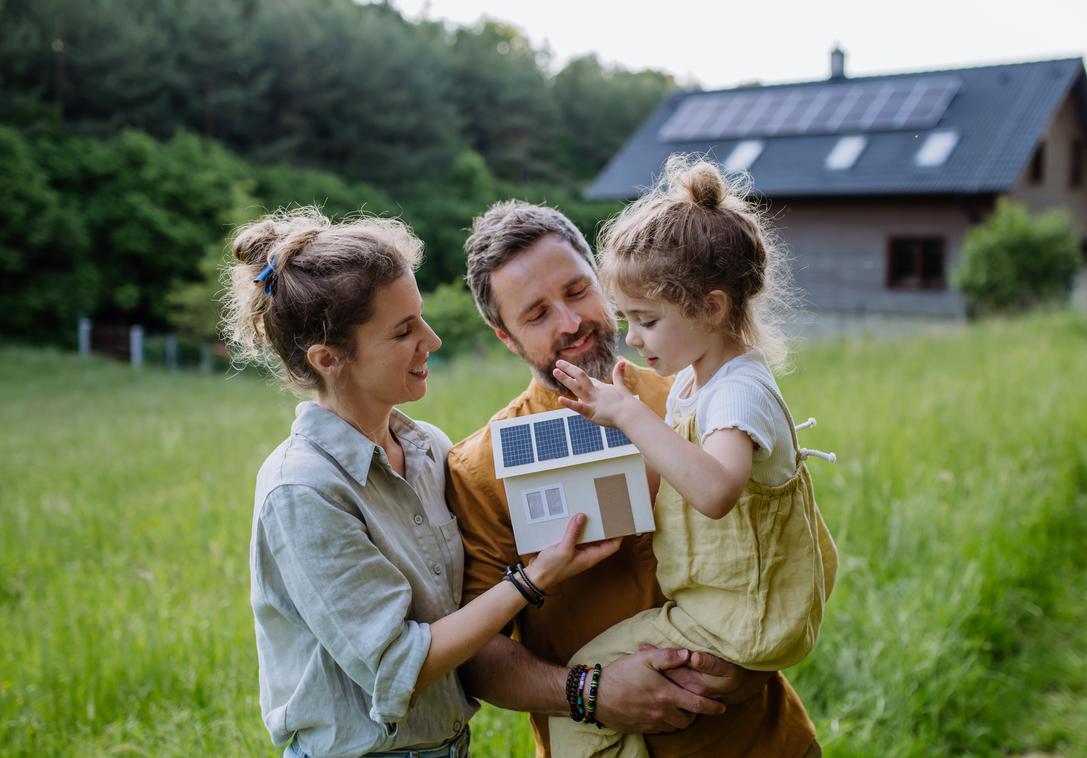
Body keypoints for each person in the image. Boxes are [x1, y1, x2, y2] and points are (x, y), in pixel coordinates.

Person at [224, 208, 619, 758]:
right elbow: (398, 666)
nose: (430, 341)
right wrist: (534, 578)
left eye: (422, 318)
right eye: (404, 330)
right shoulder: (303, 490)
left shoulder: (430, 448)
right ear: (329, 358)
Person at [447, 199, 826, 756]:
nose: (571, 323)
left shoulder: (693, 391)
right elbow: (476, 657)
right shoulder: (479, 469)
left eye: (577, 291)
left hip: (764, 741)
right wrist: (589, 692)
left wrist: (750, 664)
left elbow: (782, 543)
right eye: (536, 314)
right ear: (505, 336)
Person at [547, 156, 839, 757]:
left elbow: (713, 492)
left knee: (586, 687)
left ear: (710, 307)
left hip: (738, 617)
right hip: (721, 605)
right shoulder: (697, 378)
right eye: (628, 319)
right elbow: (674, 478)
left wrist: (629, 415)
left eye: (647, 320)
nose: (632, 337)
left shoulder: (737, 392)